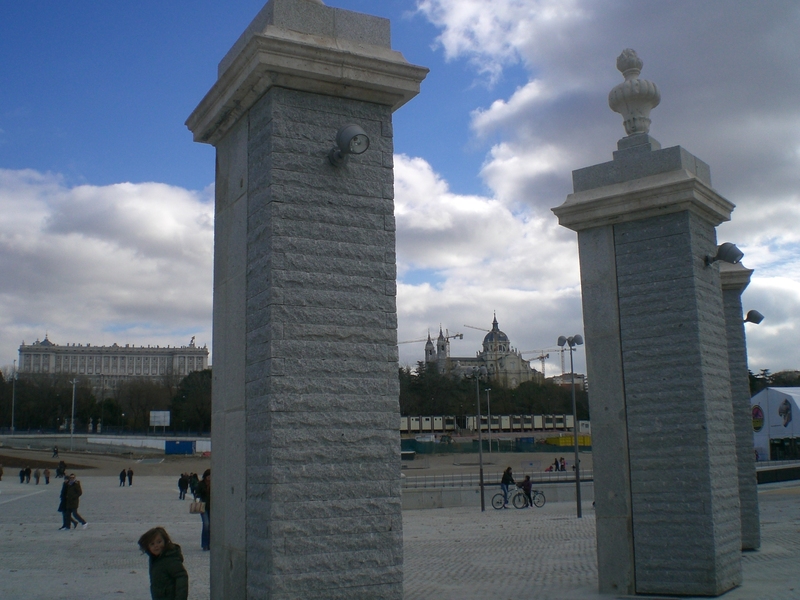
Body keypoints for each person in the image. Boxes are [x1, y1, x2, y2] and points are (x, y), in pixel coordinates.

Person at [137, 527, 189, 600]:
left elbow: (181, 576)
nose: (156, 546)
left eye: (159, 542)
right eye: (152, 544)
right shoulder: (155, 559)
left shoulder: (170, 559)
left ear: (165, 541)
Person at [195, 469, 211, 550]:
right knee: (206, 525)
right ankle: (205, 544)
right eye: (208, 476)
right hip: (203, 507)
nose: (209, 478)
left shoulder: (214, 484)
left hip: (213, 508)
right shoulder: (201, 484)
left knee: (211, 526)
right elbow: (197, 493)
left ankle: (210, 544)